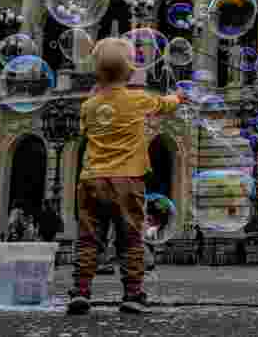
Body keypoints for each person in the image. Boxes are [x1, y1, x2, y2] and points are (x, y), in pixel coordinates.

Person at [67, 38, 185, 316]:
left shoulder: (89, 106)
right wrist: (178, 97)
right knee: (131, 238)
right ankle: (132, 294)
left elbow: (85, 129)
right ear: (131, 71)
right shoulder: (139, 99)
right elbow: (164, 104)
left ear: (96, 72)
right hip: (127, 180)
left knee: (88, 238)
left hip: (91, 180)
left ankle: (81, 291)